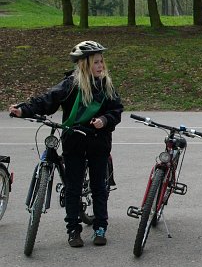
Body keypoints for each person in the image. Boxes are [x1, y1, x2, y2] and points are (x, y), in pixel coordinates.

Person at [9, 41, 123, 247]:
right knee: (73, 188)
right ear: (84, 64)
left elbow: (116, 110)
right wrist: (23, 109)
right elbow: (47, 100)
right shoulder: (71, 84)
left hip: (98, 142)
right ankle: (73, 230)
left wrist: (104, 120)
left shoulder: (106, 85)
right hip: (74, 142)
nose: (100, 66)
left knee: (98, 187)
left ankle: (100, 227)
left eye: (101, 62)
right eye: (96, 62)